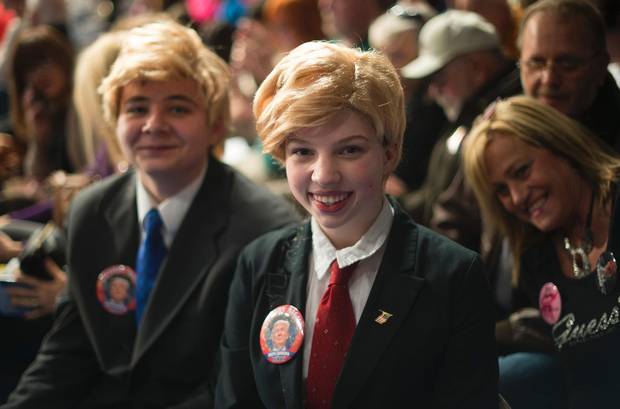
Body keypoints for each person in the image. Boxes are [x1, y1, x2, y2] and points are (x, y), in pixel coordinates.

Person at [2, 20, 299, 409]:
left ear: (214, 125)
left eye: (177, 107)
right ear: (115, 122)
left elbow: (236, 388)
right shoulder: (91, 211)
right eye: (137, 108)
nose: (154, 125)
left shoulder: (266, 231)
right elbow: (68, 354)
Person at [215, 41, 498, 409]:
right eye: (303, 151)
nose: (324, 174)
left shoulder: (453, 277)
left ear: (390, 152)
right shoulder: (258, 263)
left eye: (349, 150)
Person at [463, 95, 620, 408]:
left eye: (522, 171)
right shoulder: (536, 257)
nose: (518, 198)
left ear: (560, 146)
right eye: (502, 191)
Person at [401, 9, 521, 251]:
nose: (433, 92)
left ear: (476, 68)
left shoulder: (506, 119)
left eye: (439, 79)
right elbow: (436, 197)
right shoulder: (465, 113)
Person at [518, 0, 620, 150]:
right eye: (536, 63)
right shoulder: (506, 135)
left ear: (600, 66)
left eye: (567, 64)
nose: (549, 79)